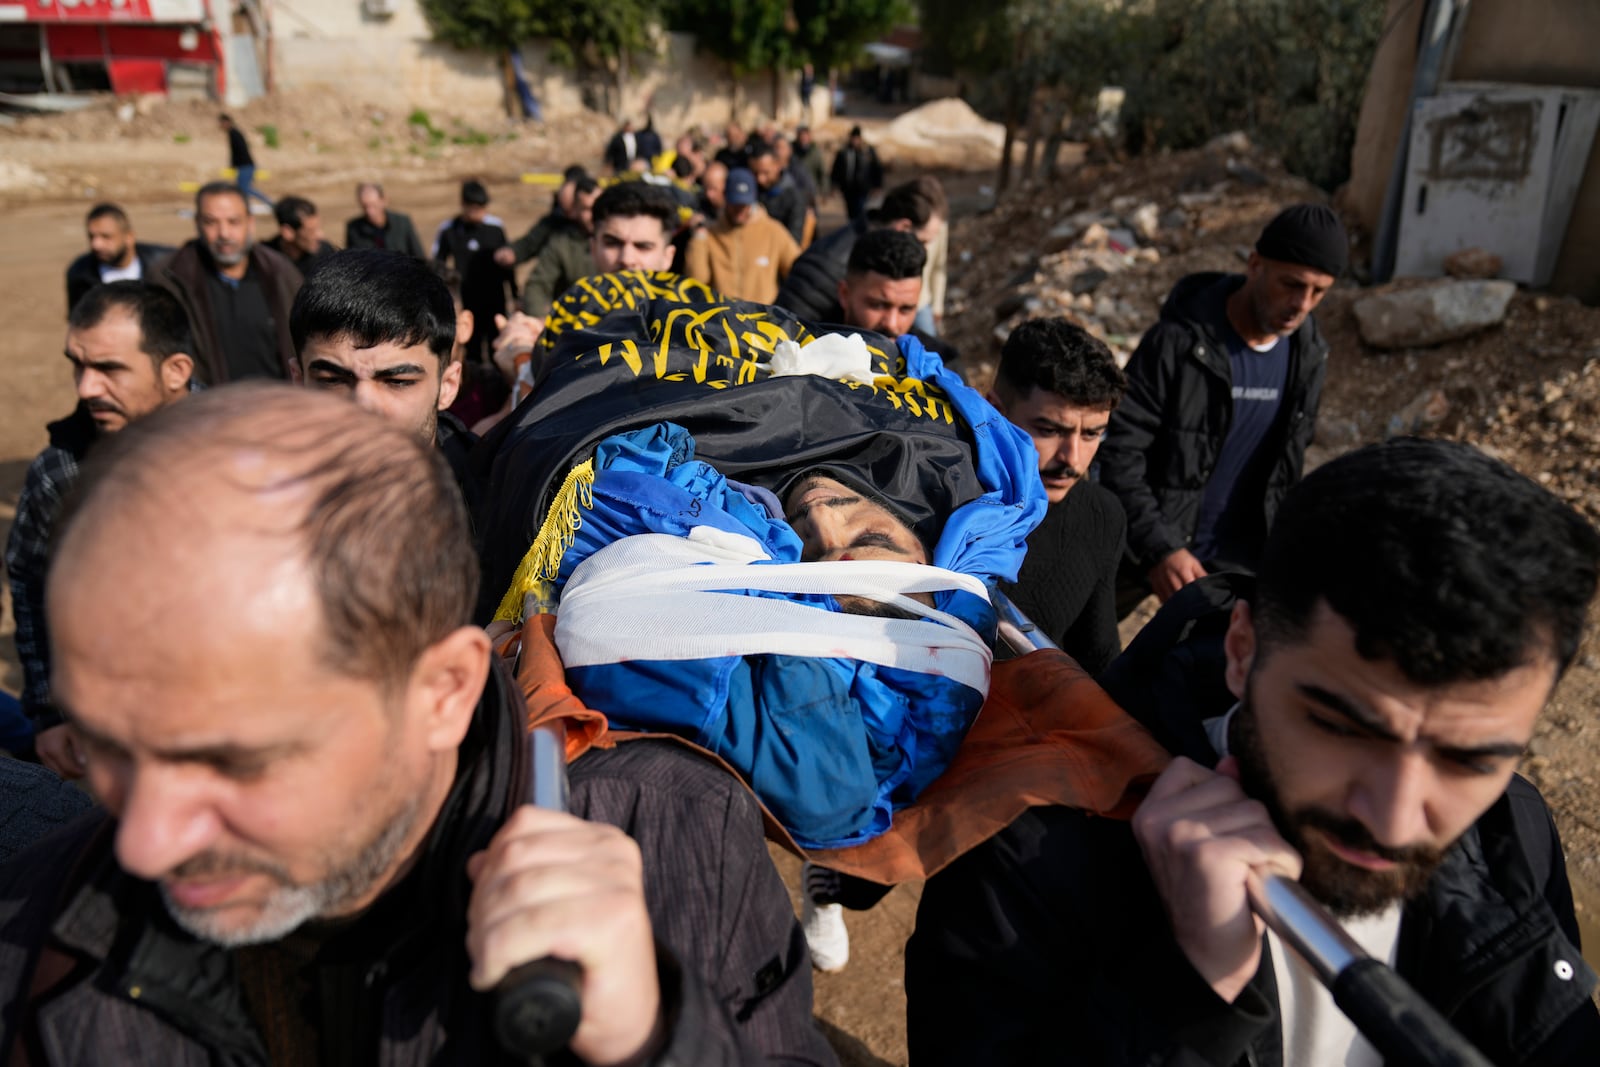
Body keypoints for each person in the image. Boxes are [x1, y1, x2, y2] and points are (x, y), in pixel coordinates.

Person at [0, 384, 836, 1066]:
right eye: (105, 746)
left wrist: (661, 1040)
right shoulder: (33, 947)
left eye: (233, 760)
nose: (143, 843)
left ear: (444, 690)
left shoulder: (677, 834)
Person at [906, 437, 1600, 1066]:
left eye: (1471, 758)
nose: (1392, 819)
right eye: (1342, 727)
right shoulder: (1018, 864)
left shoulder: (1514, 830)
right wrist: (1187, 1002)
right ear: (1243, 649)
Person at [1100, 203, 1343, 616]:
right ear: (1254, 264)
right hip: (1144, 547)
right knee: (1070, 657)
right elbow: (1120, 450)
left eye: (1318, 292)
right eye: (1292, 284)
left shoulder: (1308, 356)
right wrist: (1161, 548)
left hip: (1236, 562)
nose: (1302, 304)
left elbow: (1287, 468)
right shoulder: (1177, 343)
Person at [4, 281, 196, 781]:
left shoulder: (252, 450)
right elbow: (32, 582)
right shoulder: (60, 472)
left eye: (109, 369)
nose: (86, 387)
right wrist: (49, 712)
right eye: (78, 364)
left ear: (176, 371)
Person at [295, 249, 482, 531]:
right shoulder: (249, 504)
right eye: (332, 380)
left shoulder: (501, 506)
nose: (364, 404)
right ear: (298, 382)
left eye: (397, 382)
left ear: (447, 386)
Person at [987, 318, 1127, 673]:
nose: (1072, 459)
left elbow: (1098, 660)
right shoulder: (944, 504)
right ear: (996, 412)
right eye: (1049, 430)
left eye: (1093, 434)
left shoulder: (1101, 516)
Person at [152, 181, 302, 383]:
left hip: (277, 407)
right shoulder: (171, 278)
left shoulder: (281, 273)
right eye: (211, 222)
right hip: (208, 409)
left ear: (250, 223)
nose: (223, 233)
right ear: (197, 223)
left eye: (233, 222)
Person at [776, 178, 946, 327]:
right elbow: (785, 332)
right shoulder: (825, 268)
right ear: (904, 228)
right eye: (922, 242)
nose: (892, 323)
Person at [683, 167, 799, 303]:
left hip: (763, 320)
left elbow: (798, 273)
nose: (740, 211)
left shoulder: (774, 231)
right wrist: (698, 239)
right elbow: (696, 281)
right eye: (735, 204)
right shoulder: (711, 234)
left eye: (744, 204)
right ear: (725, 198)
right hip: (723, 319)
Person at [432, 179, 514, 364]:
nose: (479, 214)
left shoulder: (495, 228)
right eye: (475, 208)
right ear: (464, 205)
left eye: (482, 208)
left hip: (494, 298)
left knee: (497, 346)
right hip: (467, 299)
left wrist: (514, 294)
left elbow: (507, 265)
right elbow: (439, 264)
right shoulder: (450, 230)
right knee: (471, 349)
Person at [64, 202, 172, 313]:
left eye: (106, 236)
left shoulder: (164, 265)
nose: (96, 244)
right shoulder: (80, 274)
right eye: (91, 236)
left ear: (129, 237)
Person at [518, 177, 601, 319]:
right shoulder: (561, 244)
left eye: (597, 207)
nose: (593, 215)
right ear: (574, 210)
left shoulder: (623, 240)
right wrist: (541, 321)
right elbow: (537, 285)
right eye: (587, 209)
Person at [835, 228, 925, 338]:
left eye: (905, 309)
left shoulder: (940, 354)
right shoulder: (810, 348)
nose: (892, 324)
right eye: (878, 305)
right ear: (844, 294)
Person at [495, 164, 587, 268]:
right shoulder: (553, 222)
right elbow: (530, 242)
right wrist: (513, 252)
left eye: (573, 209)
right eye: (565, 210)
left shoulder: (597, 227)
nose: (570, 215)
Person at [344, 181, 428, 260]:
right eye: (365, 206)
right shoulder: (353, 228)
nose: (369, 211)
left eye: (373, 205)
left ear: (383, 201)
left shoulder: (402, 223)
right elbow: (351, 262)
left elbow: (419, 257)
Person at [263, 195, 337, 279]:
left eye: (318, 228)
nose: (320, 235)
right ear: (288, 232)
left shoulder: (325, 254)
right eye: (311, 231)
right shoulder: (264, 260)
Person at [749, 139, 807, 244]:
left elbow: (794, 239)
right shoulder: (750, 192)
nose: (760, 179)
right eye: (755, 173)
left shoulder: (794, 197)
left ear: (778, 166)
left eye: (765, 173)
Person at [830, 126, 883, 228]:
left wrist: (877, 186)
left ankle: (859, 231)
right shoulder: (844, 152)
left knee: (860, 211)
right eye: (853, 138)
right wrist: (834, 186)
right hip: (848, 189)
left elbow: (877, 169)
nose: (855, 141)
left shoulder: (868, 152)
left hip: (863, 189)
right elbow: (836, 170)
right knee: (851, 213)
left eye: (857, 138)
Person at [219, 113, 271, 210]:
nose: (220, 126)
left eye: (222, 123)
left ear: (227, 122)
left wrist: (234, 163)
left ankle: (269, 202)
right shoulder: (233, 133)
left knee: (245, 189)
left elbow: (240, 150)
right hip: (243, 165)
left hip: (245, 165)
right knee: (242, 189)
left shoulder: (234, 133)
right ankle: (244, 207)